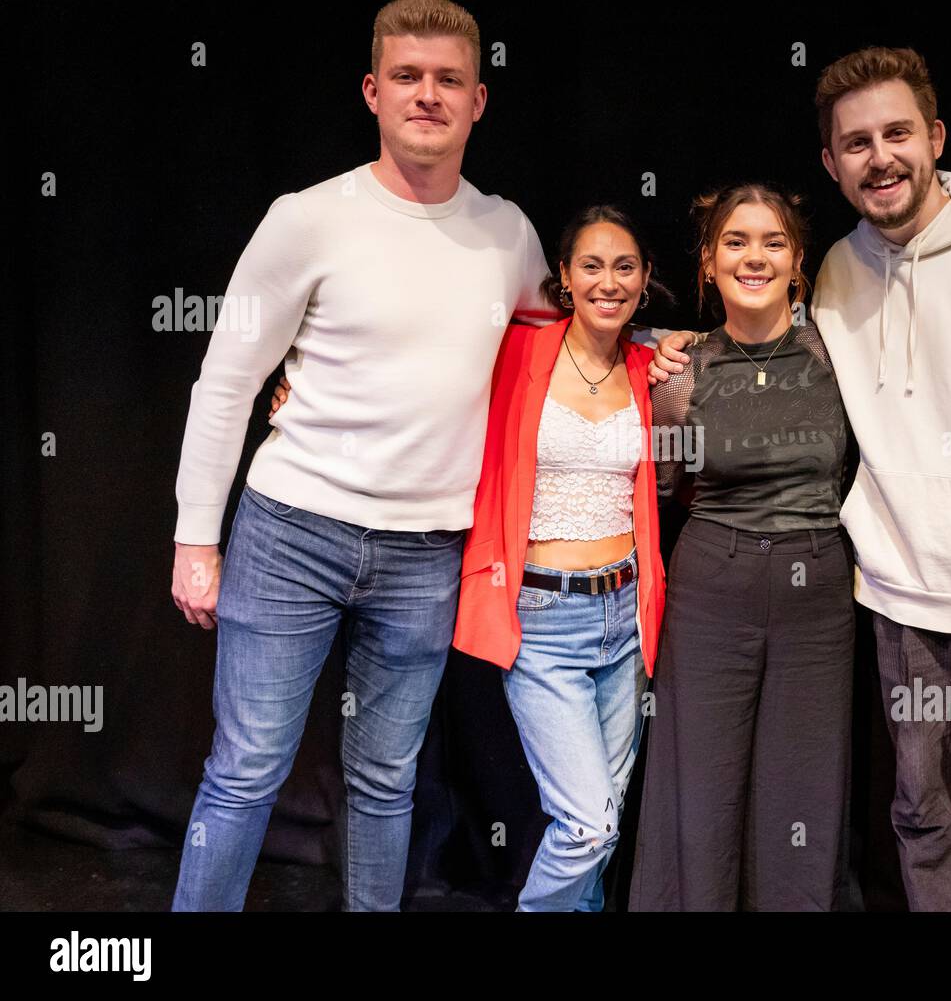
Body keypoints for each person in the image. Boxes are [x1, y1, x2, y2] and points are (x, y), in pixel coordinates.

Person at [653, 47, 951, 912]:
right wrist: (656, 346)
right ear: (831, 163)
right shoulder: (838, 272)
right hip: (902, 601)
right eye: (855, 143)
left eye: (897, 133)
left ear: (934, 136)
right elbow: (762, 348)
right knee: (922, 826)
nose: (880, 157)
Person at [169, 0, 560, 912]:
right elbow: (226, 383)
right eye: (409, 78)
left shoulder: (508, 234)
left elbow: (565, 353)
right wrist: (196, 540)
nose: (428, 96)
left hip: (428, 552)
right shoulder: (308, 217)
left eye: (449, 80)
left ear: (478, 100)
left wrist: (657, 356)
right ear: (373, 91)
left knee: (387, 783)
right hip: (290, 532)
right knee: (247, 770)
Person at [275, 207, 671, 912]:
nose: (608, 281)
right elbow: (414, 372)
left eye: (625, 267)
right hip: (544, 617)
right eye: (591, 265)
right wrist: (302, 392)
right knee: (588, 825)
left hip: (626, 616)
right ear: (563, 279)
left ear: (645, 279)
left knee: (602, 828)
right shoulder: (518, 353)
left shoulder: (651, 365)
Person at [628, 184, 857, 911]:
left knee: (802, 793)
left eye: (772, 242)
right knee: (701, 789)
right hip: (712, 587)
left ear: (797, 263)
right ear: (708, 262)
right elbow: (663, 487)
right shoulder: (683, 371)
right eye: (735, 241)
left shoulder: (837, 351)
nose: (752, 256)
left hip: (818, 594)